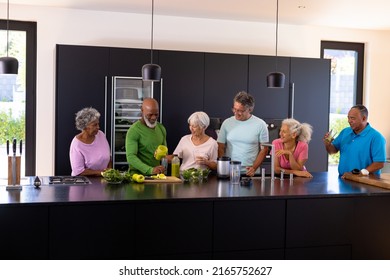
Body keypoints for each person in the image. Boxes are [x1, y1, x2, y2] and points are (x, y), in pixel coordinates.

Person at [323, 104, 386, 176]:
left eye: (352, 118)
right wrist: (328, 144)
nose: (349, 121)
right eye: (348, 118)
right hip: (343, 179)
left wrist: (362, 173)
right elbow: (332, 151)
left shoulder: (376, 137)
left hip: (365, 183)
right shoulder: (345, 132)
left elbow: (380, 163)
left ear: (364, 118)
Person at [217, 91, 269, 176]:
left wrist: (254, 168)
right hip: (230, 172)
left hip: (251, 172)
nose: (236, 113)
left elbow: (264, 149)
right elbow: (220, 147)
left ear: (250, 109)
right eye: (234, 109)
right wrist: (224, 168)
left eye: (240, 110)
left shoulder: (260, 124)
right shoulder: (227, 123)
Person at [126, 98, 167, 175]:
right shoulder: (134, 130)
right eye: (150, 114)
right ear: (142, 111)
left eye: (156, 114)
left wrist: (166, 158)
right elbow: (131, 157)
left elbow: (164, 153)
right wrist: (150, 170)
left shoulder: (161, 128)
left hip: (156, 177)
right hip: (138, 178)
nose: (153, 117)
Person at [69, 107, 112, 176]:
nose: (98, 127)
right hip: (83, 183)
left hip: (102, 180)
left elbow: (108, 157)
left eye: (98, 124)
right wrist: (101, 173)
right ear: (85, 126)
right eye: (95, 125)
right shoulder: (77, 144)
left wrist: (110, 171)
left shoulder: (101, 135)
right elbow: (79, 171)